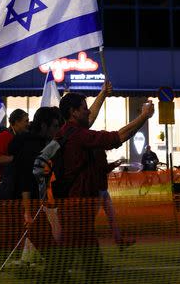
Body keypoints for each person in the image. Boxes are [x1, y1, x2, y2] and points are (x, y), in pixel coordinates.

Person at [49, 92, 154, 283]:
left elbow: (92, 117)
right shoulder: (79, 136)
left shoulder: (65, 133)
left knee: (77, 256)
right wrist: (143, 116)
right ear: (73, 112)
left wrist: (103, 94)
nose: (88, 111)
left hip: (70, 204)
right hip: (78, 206)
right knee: (65, 261)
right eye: (83, 108)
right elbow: (118, 137)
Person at [0, 107, 63, 282]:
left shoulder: (23, 140)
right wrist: (28, 212)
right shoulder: (34, 146)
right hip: (22, 204)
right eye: (55, 126)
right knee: (49, 250)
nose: (56, 131)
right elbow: (25, 178)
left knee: (2, 248)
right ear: (44, 126)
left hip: (10, 202)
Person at [0, 109, 29, 282]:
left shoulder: (17, 137)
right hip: (5, 193)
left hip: (11, 192)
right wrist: (16, 159)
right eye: (25, 120)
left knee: (12, 232)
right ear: (15, 122)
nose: (27, 123)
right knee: (5, 234)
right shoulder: (5, 136)